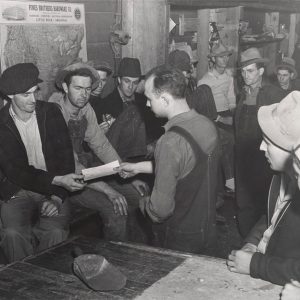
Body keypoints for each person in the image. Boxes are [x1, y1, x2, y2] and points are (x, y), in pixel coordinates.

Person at [116, 65, 220, 254]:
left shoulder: (169, 141)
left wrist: (144, 202)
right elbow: (187, 165)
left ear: (164, 99)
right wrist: (138, 167)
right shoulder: (206, 124)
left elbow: (160, 211)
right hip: (207, 227)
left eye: (149, 99)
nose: (147, 105)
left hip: (179, 235)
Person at [49, 63, 150, 243]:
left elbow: (101, 145)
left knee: (137, 196)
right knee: (115, 209)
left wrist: (126, 172)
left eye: (88, 89)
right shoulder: (53, 113)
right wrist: (110, 191)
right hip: (67, 180)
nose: (84, 94)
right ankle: (115, 257)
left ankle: (136, 252)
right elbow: (72, 166)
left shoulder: (85, 108)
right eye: (78, 88)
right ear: (65, 87)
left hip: (86, 170)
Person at [0, 63, 85, 262]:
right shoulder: (1, 123)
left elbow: (66, 159)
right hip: (16, 190)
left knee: (55, 231)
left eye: (34, 92)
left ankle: (46, 274)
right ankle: (23, 279)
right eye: (25, 95)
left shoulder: (51, 112)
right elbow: (16, 171)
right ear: (11, 96)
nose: (33, 99)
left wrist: (56, 196)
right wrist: (57, 181)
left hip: (52, 190)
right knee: (12, 234)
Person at [227, 91, 300, 286]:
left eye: (268, 143)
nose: (261, 147)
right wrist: (252, 243)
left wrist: (256, 265)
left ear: (291, 151)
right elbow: (272, 218)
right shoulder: (280, 176)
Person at [235, 47, 286, 238]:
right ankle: (245, 241)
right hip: (242, 156)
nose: (245, 75)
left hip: (264, 158)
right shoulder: (242, 93)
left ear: (261, 71)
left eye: (250, 71)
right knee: (243, 203)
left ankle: (262, 243)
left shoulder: (274, 94)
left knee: (264, 202)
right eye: (242, 71)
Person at [197, 42, 236, 192]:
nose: (225, 59)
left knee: (239, 135)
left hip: (227, 113)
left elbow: (231, 98)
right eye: (220, 57)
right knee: (227, 140)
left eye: (226, 56)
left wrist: (233, 115)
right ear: (213, 59)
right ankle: (229, 180)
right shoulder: (205, 80)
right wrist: (218, 119)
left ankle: (232, 178)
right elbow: (203, 108)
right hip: (213, 117)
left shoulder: (228, 76)